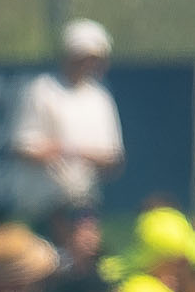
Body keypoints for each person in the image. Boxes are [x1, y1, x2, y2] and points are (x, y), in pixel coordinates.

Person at [12, 21, 123, 209]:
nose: (89, 64)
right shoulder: (41, 90)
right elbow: (23, 147)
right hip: (40, 202)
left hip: (85, 200)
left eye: (95, 59)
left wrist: (79, 153)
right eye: (83, 57)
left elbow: (112, 157)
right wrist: (58, 151)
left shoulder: (100, 98)